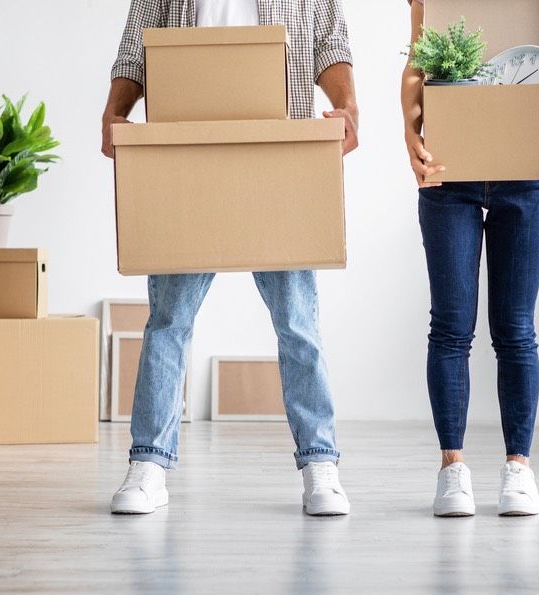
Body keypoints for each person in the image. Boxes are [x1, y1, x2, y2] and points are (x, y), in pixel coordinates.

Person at [102, 0, 359, 516]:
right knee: (169, 319)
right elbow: (137, 46)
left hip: (276, 156)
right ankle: (149, 464)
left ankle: (320, 465)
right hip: (188, 158)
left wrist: (348, 107)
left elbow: (331, 42)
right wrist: (116, 111)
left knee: (297, 320)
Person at [401, 0, 539, 517]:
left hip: (527, 170)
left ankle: (518, 470)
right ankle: (452, 470)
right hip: (449, 172)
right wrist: (410, 135)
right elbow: (418, 66)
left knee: (515, 329)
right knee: (452, 327)